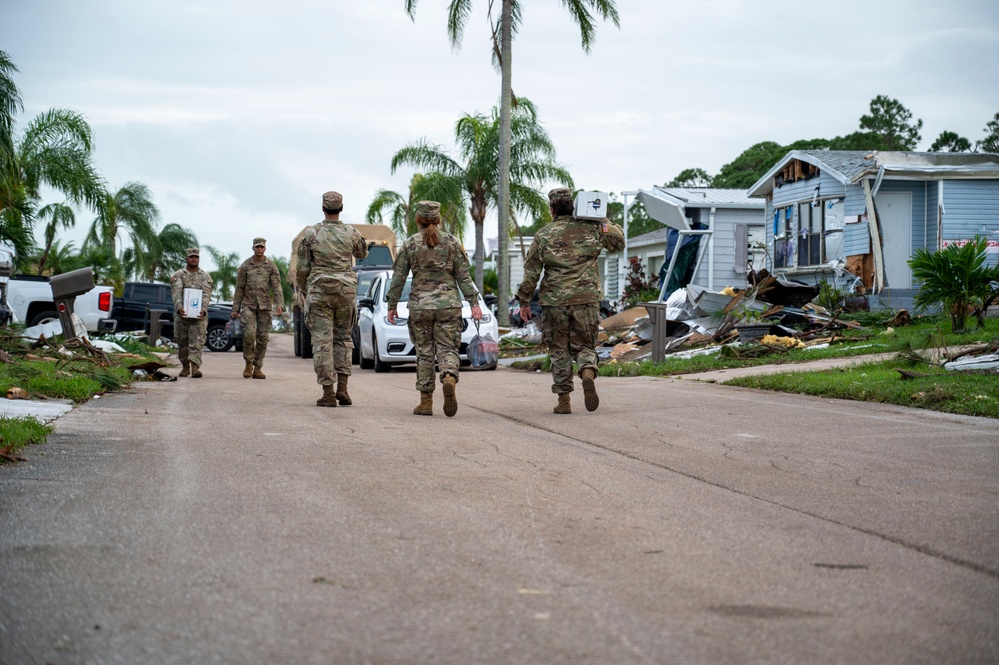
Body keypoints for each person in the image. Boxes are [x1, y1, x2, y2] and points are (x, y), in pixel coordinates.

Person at [515, 188, 625, 414]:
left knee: (559, 349)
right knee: (584, 344)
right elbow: (619, 242)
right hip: (587, 299)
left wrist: (524, 301)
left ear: (552, 210)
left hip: (555, 302)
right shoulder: (593, 229)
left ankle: (564, 401)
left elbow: (531, 274)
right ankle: (586, 370)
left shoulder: (544, 235)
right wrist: (601, 218)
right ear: (574, 207)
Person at [386, 200, 481, 418]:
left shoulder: (410, 244)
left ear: (418, 219)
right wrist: (474, 303)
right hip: (448, 304)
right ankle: (448, 376)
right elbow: (464, 277)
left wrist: (392, 305)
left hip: (420, 307)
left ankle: (426, 403)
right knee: (448, 349)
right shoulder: (452, 242)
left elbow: (398, 278)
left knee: (425, 353)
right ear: (438, 219)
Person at [296, 191, 368, 407]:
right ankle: (343, 389)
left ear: (323, 208)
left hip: (319, 290)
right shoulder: (351, 232)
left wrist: (306, 290)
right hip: (345, 291)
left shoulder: (311, 233)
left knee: (322, 342)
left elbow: (301, 269)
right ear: (341, 208)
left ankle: (328, 393)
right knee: (343, 338)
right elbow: (363, 253)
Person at [231, 237, 285, 379]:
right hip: (248, 305)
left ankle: (258, 367)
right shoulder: (245, 265)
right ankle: (248, 363)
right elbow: (239, 288)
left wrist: (280, 304)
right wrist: (235, 308)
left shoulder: (271, 266)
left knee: (262, 337)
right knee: (249, 334)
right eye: (257, 247)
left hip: (265, 306)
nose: (259, 249)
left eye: (261, 247)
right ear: (253, 248)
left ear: (265, 249)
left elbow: (276, 287)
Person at [170, 247, 214, 378]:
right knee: (182, 341)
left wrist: (203, 309)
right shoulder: (178, 275)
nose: (194, 259)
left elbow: (207, 294)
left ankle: (195, 367)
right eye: (191, 256)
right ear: (186, 258)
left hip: (199, 316)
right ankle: (185, 367)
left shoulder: (205, 276)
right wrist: (179, 307)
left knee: (197, 341)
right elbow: (176, 293)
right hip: (182, 315)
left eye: (196, 257)